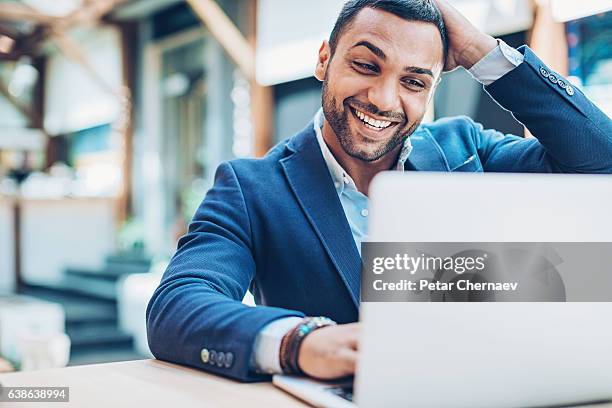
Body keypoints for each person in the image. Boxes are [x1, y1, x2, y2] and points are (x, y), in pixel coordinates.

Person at [146, 0, 612, 382]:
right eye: (366, 65)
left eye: (413, 81)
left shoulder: (467, 149)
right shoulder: (251, 188)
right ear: (324, 59)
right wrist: (297, 342)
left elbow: (601, 159)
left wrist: (480, 51)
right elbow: (177, 305)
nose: (385, 100)